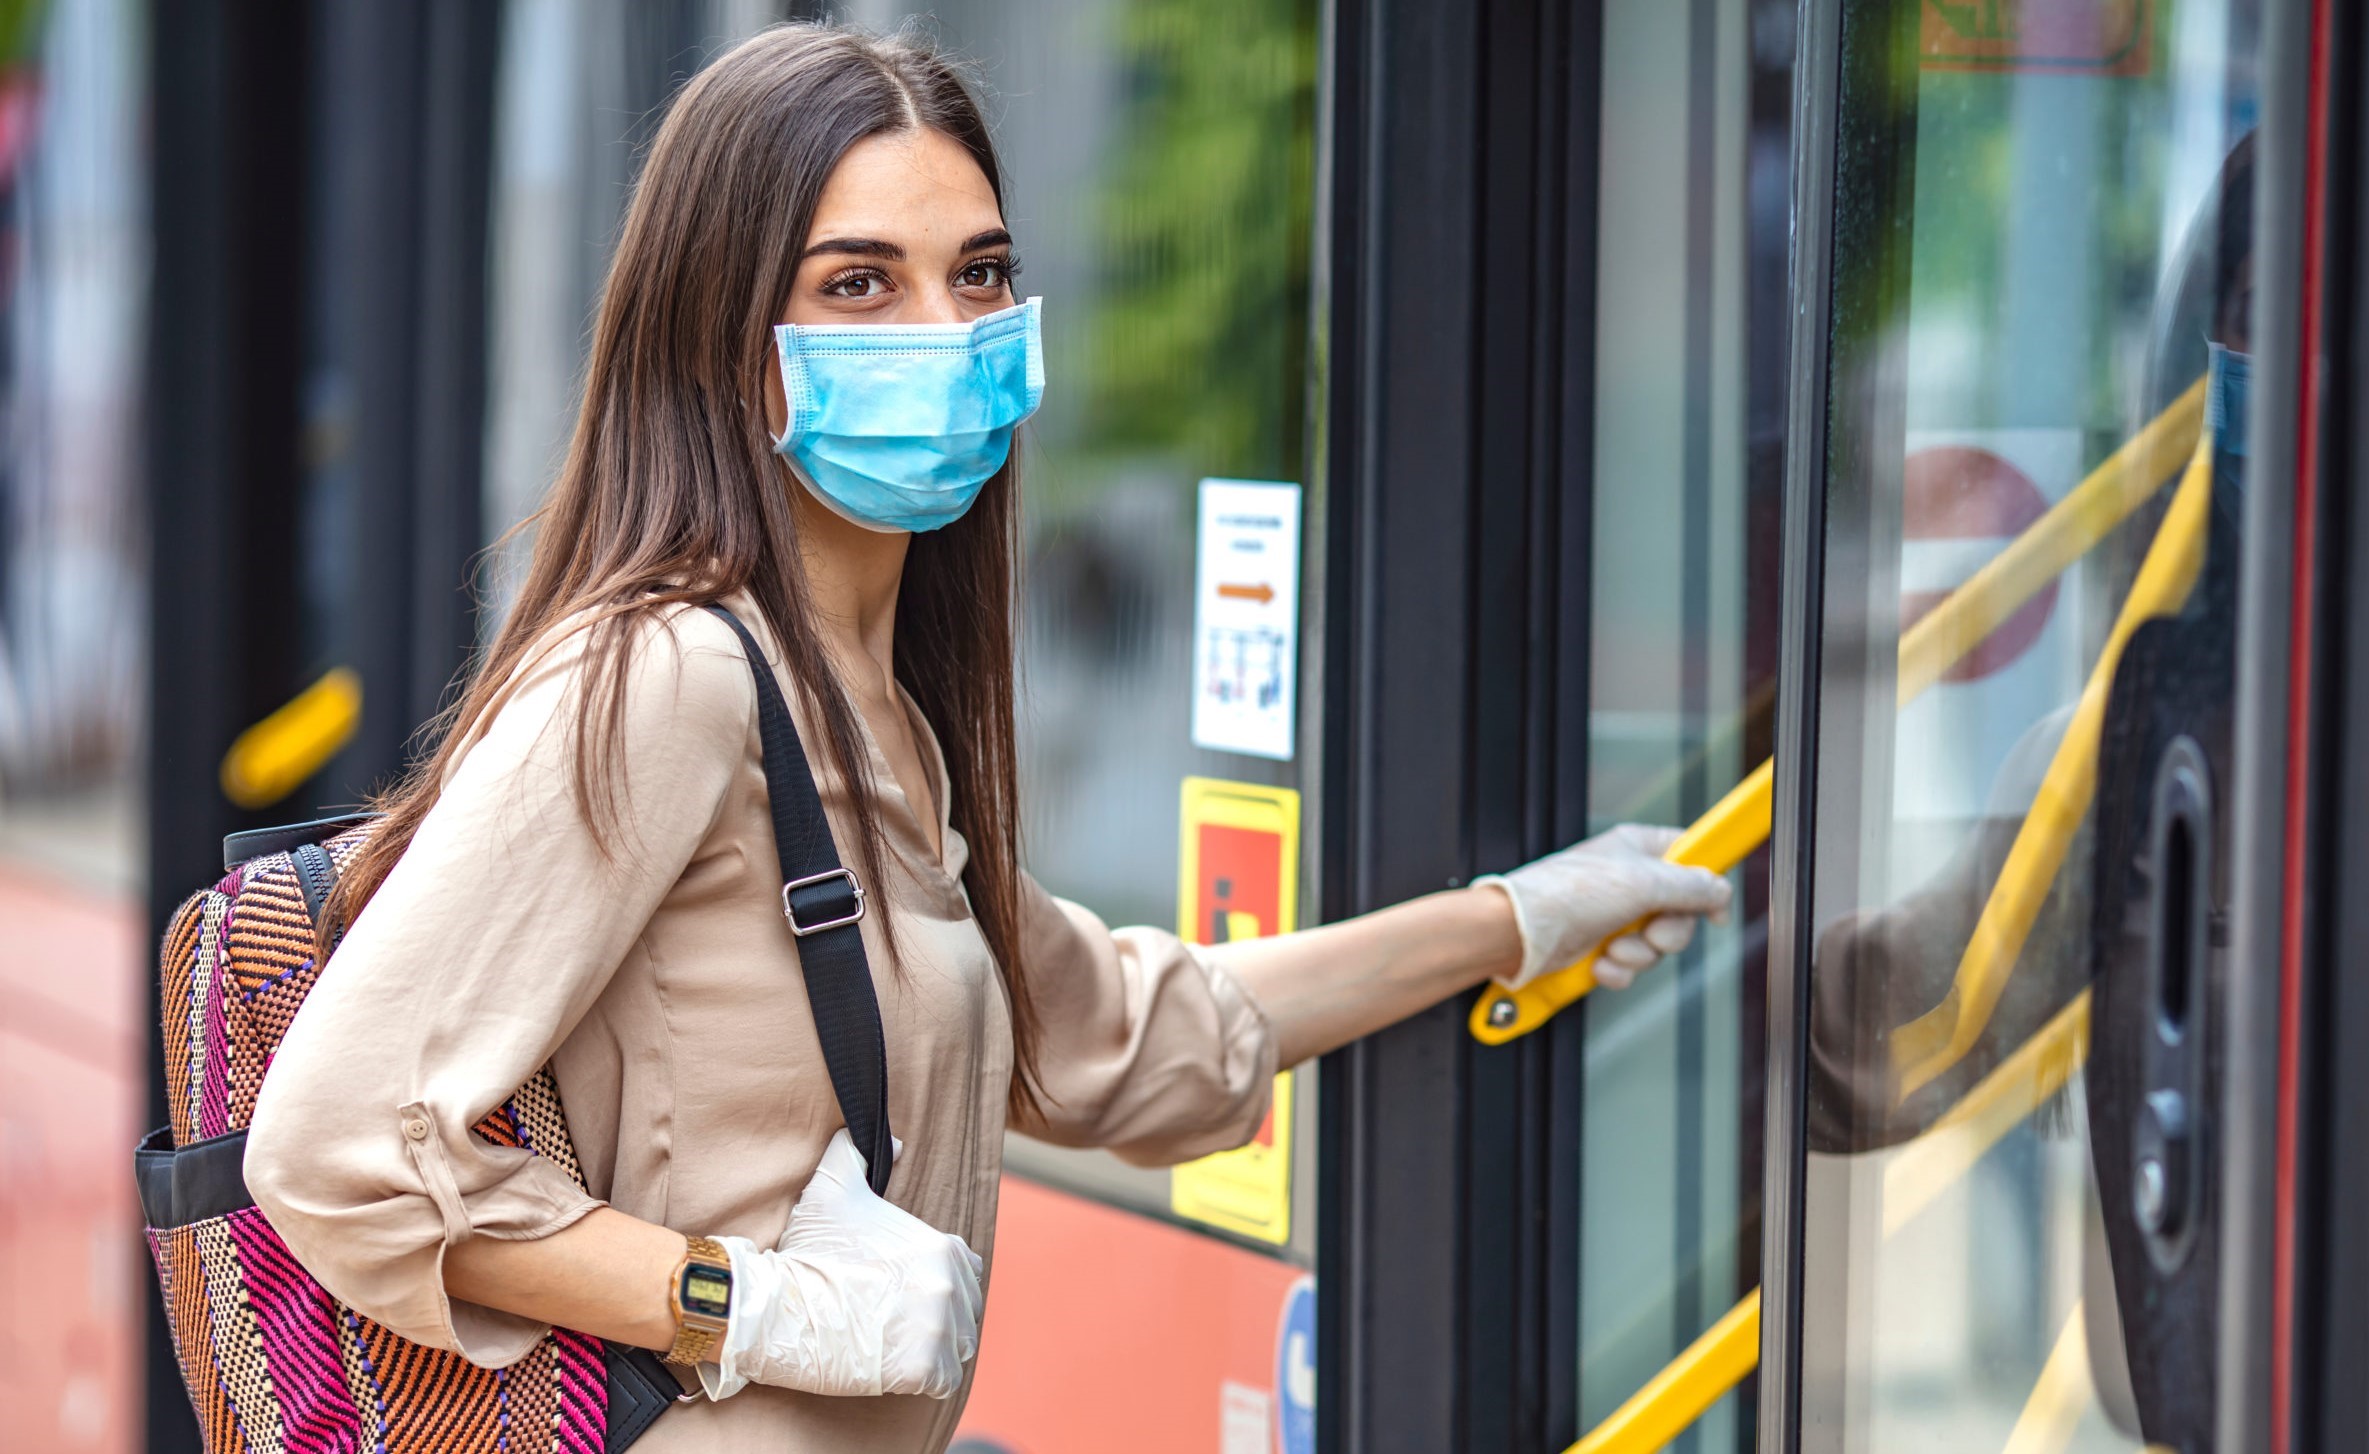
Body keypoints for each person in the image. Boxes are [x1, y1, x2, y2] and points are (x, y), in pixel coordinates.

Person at [241, 23, 1731, 1454]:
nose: (946, 334)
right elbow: (336, 1145)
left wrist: (1515, 920)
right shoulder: (666, 675)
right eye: (861, 286)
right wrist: (741, 1304)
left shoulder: (869, 713)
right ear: (722, 333)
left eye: (980, 274)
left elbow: (1120, 1038)